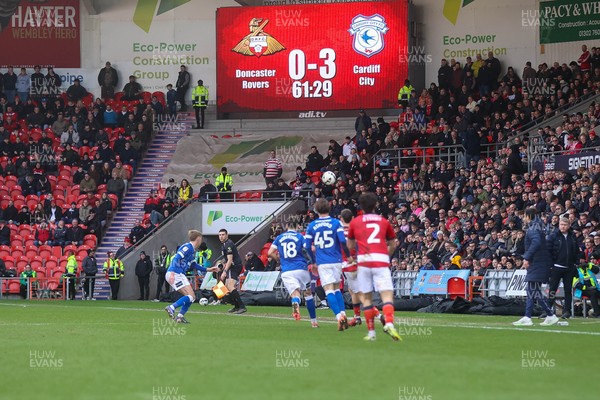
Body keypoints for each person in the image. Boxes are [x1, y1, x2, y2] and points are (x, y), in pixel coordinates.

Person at [347, 193, 401, 341]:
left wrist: (354, 255)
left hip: (364, 262)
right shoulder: (383, 221)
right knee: (387, 295)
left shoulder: (355, 222)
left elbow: (350, 245)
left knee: (367, 298)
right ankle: (389, 323)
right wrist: (386, 256)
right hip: (381, 261)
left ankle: (371, 333)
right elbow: (393, 243)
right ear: (375, 205)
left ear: (361, 206)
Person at [304, 198, 351, 331]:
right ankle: (343, 314)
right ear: (329, 209)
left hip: (323, 262)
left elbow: (307, 246)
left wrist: (312, 262)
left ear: (317, 210)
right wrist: (348, 256)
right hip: (337, 261)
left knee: (328, 289)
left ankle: (338, 317)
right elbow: (342, 241)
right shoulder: (336, 223)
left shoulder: (312, 226)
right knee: (337, 288)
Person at [339, 208, 385, 328]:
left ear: (341, 219)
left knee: (360, 294)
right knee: (352, 290)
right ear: (353, 218)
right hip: (362, 263)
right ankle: (357, 317)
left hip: (349, 265)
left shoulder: (339, 231)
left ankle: (378, 315)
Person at [513, 208, 559, 326]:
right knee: (532, 290)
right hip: (540, 262)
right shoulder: (538, 226)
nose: (523, 219)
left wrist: (527, 257)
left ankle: (548, 315)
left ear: (528, 216)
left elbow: (536, 242)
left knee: (532, 290)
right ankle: (533, 316)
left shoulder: (533, 228)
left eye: (524, 216)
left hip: (537, 263)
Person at [268, 222, 318, 327]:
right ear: (297, 227)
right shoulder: (300, 236)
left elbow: (270, 252)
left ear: (287, 227)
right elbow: (309, 248)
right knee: (308, 294)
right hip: (301, 269)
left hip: (287, 270)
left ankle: (295, 303)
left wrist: (278, 259)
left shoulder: (279, 237)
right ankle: (314, 322)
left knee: (295, 294)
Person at [164, 230, 219, 323]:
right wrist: (173, 273)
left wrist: (207, 269)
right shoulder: (187, 247)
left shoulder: (192, 250)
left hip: (177, 274)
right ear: (198, 239)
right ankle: (172, 307)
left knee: (190, 297)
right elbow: (177, 258)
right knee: (191, 296)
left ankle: (180, 317)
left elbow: (194, 265)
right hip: (176, 273)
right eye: (201, 239)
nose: (201, 241)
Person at [547, 218, 579, 319]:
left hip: (569, 267)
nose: (563, 226)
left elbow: (576, 250)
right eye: (561, 224)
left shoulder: (572, 236)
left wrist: (575, 263)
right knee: (552, 289)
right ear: (559, 225)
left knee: (568, 290)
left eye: (565, 224)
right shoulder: (553, 236)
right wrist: (550, 265)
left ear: (569, 225)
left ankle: (567, 311)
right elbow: (548, 250)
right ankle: (548, 309)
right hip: (556, 267)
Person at [218, 228, 247, 314]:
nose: (221, 237)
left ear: (227, 235)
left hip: (234, 266)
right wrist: (222, 266)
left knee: (230, 286)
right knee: (227, 286)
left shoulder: (228, 244)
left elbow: (230, 260)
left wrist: (224, 271)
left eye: (223, 235)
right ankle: (236, 306)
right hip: (232, 266)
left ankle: (242, 306)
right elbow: (227, 260)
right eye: (219, 235)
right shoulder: (224, 245)